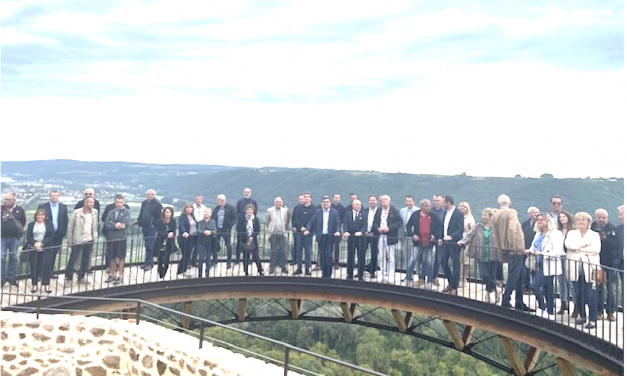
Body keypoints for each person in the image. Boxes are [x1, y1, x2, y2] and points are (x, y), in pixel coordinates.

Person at [492, 194, 530, 311]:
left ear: (499, 203)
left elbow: (496, 235)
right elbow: (512, 229)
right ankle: (506, 299)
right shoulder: (511, 212)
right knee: (514, 275)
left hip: (505, 249)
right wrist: (513, 245)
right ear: (509, 203)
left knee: (521, 274)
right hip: (515, 249)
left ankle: (519, 301)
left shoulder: (495, 215)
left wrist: (501, 249)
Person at [564, 212, 601, 329]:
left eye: (583, 220)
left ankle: (592, 319)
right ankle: (582, 315)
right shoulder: (571, 233)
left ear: (588, 222)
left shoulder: (594, 234)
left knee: (591, 294)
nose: (581, 222)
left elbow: (596, 249)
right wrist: (585, 244)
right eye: (578, 219)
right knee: (578, 293)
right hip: (575, 269)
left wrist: (577, 248)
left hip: (589, 269)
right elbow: (568, 245)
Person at [526, 213, 565, 319]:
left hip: (548, 263)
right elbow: (534, 246)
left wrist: (544, 253)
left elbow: (558, 251)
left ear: (548, 221)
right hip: (538, 263)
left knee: (534, 285)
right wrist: (530, 251)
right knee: (548, 287)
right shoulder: (538, 233)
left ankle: (542, 307)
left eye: (542, 220)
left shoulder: (555, 233)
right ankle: (549, 311)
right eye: (538, 220)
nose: (539, 222)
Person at [458, 208, 499, 302]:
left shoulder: (495, 227)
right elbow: (469, 235)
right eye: (482, 215)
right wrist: (462, 242)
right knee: (484, 275)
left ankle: (488, 296)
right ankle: (497, 290)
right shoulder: (478, 226)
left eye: (485, 215)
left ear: (490, 217)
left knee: (492, 275)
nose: (483, 217)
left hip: (494, 255)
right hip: (481, 254)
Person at [591, 208, 620, 322]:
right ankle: (599, 311)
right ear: (596, 217)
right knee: (598, 289)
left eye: (603, 218)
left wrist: (604, 239)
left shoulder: (613, 229)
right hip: (597, 264)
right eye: (599, 217)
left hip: (611, 264)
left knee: (611, 290)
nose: (601, 220)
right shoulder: (592, 228)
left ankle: (611, 312)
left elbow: (616, 245)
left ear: (607, 218)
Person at [406, 199, 442, 288]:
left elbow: (439, 227)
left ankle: (429, 281)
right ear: (422, 206)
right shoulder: (415, 215)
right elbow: (408, 226)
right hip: (417, 243)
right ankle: (409, 278)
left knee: (429, 262)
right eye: (427, 206)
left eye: (429, 206)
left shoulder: (433, 215)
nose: (429, 208)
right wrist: (413, 235)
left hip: (429, 243)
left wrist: (435, 236)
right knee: (412, 260)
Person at [305, 196, 341, 278]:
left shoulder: (334, 212)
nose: (326, 204)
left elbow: (337, 223)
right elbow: (311, 221)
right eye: (324, 202)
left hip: (330, 237)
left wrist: (338, 231)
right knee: (322, 256)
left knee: (329, 256)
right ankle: (324, 273)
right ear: (322, 204)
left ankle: (329, 274)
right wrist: (307, 229)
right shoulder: (318, 212)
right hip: (321, 237)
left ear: (330, 203)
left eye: (327, 202)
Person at [65, 196, 99, 284]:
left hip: (89, 239)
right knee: (73, 259)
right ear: (85, 203)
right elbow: (70, 227)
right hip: (77, 239)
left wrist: (95, 237)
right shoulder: (77, 212)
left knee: (85, 259)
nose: (92, 204)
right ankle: (69, 278)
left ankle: (81, 277)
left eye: (93, 202)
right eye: (90, 202)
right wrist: (70, 239)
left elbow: (95, 225)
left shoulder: (95, 212)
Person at [37, 190, 69, 276]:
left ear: (58, 196)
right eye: (52, 195)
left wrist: (64, 232)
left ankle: (50, 273)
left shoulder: (63, 207)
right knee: (43, 254)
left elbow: (65, 220)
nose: (54, 197)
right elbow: (38, 219)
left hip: (58, 235)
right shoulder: (43, 206)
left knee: (54, 254)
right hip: (46, 235)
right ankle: (40, 274)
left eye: (56, 195)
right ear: (49, 196)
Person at [372, 195, 403, 284]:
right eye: (382, 200)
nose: (383, 201)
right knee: (381, 256)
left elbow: (399, 222)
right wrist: (377, 228)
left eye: (385, 200)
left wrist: (389, 228)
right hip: (380, 236)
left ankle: (390, 275)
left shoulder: (394, 211)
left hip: (390, 237)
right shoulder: (378, 211)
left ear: (389, 201)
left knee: (391, 257)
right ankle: (382, 274)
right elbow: (374, 222)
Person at [24, 208, 55, 293]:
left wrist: (42, 243)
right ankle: (34, 285)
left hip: (46, 248)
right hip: (34, 249)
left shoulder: (49, 224)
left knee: (46, 267)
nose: (40, 216)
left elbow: (51, 236)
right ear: (36, 216)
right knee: (34, 266)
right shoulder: (31, 225)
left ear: (45, 216)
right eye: (38, 215)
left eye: (42, 215)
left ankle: (46, 285)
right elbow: (29, 237)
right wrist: (35, 244)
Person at [439, 196, 465, 296]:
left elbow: (460, 229)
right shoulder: (445, 212)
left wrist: (451, 236)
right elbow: (444, 226)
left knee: (455, 264)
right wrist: (441, 237)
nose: (442, 204)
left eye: (443, 202)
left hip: (454, 243)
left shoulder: (458, 213)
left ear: (448, 202)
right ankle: (451, 282)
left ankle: (454, 287)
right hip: (445, 242)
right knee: (443, 261)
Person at [104, 194, 132, 285]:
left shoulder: (127, 212)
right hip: (111, 237)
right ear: (115, 202)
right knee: (111, 257)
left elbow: (124, 224)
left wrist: (113, 223)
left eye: (121, 202)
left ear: (123, 202)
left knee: (121, 257)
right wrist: (115, 225)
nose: (119, 204)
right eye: (117, 202)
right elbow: (107, 224)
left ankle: (121, 276)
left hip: (121, 238)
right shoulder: (111, 212)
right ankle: (112, 275)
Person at [1, 193, 27, 288]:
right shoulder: (1, 209)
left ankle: (12, 278)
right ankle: (1, 279)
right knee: (1, 258)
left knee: (13, 257)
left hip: (14, 238)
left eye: (8, 200)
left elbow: (24, 222)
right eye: (5, 199)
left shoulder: (19, 210)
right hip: (2, 238)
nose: (5, 201)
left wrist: (18, 234)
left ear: (13, 201)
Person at [136, 189, 163, 271]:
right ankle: (147, 262)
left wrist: (154, 224)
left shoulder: (158, 204)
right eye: (148, 194)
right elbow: (141, 213)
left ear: (154, 195)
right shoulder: (144, 203)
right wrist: (138, 220)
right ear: (146, 195)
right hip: (144, 226)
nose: (150, 196)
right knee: (147, 245)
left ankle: (149, 263)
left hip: (152, 228)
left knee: (149, 246)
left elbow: (159, 217)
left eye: (152, 194)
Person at [557, 210, 576, 316]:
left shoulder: (573, 231)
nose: (562, 219)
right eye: (560, 217)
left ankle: (575, 305)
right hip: (559, 257)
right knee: (561, 281)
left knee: (571, 282)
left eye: (564, 217)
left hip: (569, 257)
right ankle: (563, 303)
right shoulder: (557, 231)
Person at [292, 192, 316, 275]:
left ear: (310, 198)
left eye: (308, 197)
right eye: (305, 197)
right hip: (299, 232)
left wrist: (308, 229)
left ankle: (307, 269)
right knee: (299, 251)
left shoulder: (314, 208)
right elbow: (296, 218)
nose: (306, 198)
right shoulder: (299, 208)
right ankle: (299, 268)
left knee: (308, 252)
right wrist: (301, 227)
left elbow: (313, 220)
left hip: (309, 233)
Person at [343, 199, 367, 281]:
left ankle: (361, 275)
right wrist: (345, 231)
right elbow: (345, 223)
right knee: (350, 256)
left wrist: (361, 232)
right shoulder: (348, 214)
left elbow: (365, 225)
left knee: (361, 257)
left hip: (361, 239)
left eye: (360, 205)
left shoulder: (364, 214)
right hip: (351, 238)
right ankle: (349, 274)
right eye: (357, 205)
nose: (359, 206)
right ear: (353, 205)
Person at [266, 197, 290, 275]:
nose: (278, 204)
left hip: (282, 233)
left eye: (280, 202)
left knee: (283, 251)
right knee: (273, 251)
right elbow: (267, 221)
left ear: (282, 203)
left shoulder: (285, 211)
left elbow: (286, 221)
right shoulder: (269, 210)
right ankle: (272, 267)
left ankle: (283, 267)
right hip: (273, 233)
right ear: (274, 203)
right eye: (277, 202)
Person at [213, 194, 238, 268]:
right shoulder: (216, 208)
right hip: (217, 229)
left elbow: (234, 218)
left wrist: (229, 227)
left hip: (226, 230)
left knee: (228, 245)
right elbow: (213, 217)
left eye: (220, 200)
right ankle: (214, 260)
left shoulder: (230, 208)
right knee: (214, 244)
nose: (219, 202)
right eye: (218, 200)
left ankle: (229, 261)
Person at [239, 204, 263, 276]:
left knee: (256, 256)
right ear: (245, 211)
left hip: (254, 240)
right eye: (248, 210)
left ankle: (260, 271)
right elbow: (239, 229)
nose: (249, 211)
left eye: (251, 210)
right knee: (246, 257)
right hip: (244, 240)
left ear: (253, 211)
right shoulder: (242, 219)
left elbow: (257, 230)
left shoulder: (256, 219)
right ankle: (246, 272)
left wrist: (252, 236)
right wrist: (247, 237)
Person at [399, 195, 419, 275]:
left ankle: (416, 273)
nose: (408, 203)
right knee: (406, 256)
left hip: (415, 237)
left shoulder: (418, 211)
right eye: (407, 201)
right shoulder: (402, 211)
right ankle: (407, 274)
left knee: (416, 256)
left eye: (410, 201)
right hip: (406, 236)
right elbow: (401, 224)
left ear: (413, 202)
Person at [154, 207, 177, 279]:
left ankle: (163, 274)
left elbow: (174, 231)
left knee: (167, 260)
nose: (168, 214)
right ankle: (160, 273)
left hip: (169, 243)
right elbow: (160, 232)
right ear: (164, 213)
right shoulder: (159, 221)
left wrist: (172, 234)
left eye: (169, 212)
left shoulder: (173, 221)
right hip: (160, 242)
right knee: (160, 259)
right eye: (166, 212)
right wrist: (167, 234)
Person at [521, 206, 540, 294]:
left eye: (537, 212)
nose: (536, 214)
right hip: (525, 249)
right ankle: (526, 286)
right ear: (529, 214)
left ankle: (535, 287)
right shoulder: (525, 224)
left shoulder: (540, 224)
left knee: (535, 269)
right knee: (526, 269)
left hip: (536, 250)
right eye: (534, 213)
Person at [177, 203, 198, 277]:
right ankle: (180, 271)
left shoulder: (192, 216)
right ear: (185, 209)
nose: (189, 209)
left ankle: (184, 271)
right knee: (186, 255)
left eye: (190, 208)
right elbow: (181, 225)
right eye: (187, 208)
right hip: (184, 238)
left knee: (188, 255)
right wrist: (184, 232)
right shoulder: (182, 217)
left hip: (192, 238)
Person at [458, 201, 476, 288]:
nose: (462, 208)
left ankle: (463, 278)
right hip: (457, 240)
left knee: (465, 261)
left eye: (464, 207)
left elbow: (472, 230)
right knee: (458, 261)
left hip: (466, 241)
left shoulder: (470, 218)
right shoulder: (457, 216)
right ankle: (458, 278)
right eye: (461, 206)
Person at [430, 194, 446, 286]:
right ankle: (425, 277)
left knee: (438, 258)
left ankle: (434, 277)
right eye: (435, 200)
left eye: (438, 201)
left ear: (441, 201)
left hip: (440, 238)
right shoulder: (430, 210)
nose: (436, 202)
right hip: (430, 237)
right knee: (426, 258)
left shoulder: (445, 212)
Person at [196, 208, 217, 278]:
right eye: (205, 212)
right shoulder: (200, 222)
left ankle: (207, 273)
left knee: (208, 259)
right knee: (201, 259)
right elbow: (198, 230)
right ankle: (200, 274)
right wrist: (204, 232)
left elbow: (215, 231)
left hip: (209, 242)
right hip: (201, 242)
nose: (206, 213)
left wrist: (210, 232)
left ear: (210, 214)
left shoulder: (213, 222)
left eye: (208, 212)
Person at [364, 195, 380, 278]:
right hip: (365, 234)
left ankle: (372, 271)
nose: (372, 202)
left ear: (376, 201)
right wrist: (364, 231)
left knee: (374, 253)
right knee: (362, 252)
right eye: (371, 200)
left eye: (374, 200)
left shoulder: (380, 211)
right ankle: (361, 269)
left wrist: (374, 232)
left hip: (375, 235)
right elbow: (363, 222)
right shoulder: (365, 211)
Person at [190, 195, 207, 267]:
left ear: (202, 200)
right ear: (195, 200)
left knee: (197, 246)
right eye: (197, 199)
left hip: (201, 228)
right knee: (190, 246)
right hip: (193, 227)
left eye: (200, 199)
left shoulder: (204, 208)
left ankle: (194, 261)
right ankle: (188, 262)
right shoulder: (191, 207)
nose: (198, 200)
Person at [331, 193, 346, 269]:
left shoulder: (342, 208)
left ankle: (336, 263)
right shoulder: (330, 207)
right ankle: (329, 262)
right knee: (329, 247)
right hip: (330, 230)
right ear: (333, 198)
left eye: (338, 197)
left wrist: (338, 222)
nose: (337, 199)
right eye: (335, 197)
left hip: (338, 230)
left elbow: (344, 219)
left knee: (337, 248)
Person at [290, 194, 305, 265]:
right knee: (295, 246)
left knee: (306, 248)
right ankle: (294, 260)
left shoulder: (307, 208)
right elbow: (294, 218)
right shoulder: (296, 208)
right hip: (296, 230)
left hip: (305, 231)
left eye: (302, 199)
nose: (301, 200)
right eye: (300, 199)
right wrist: (293, 226)